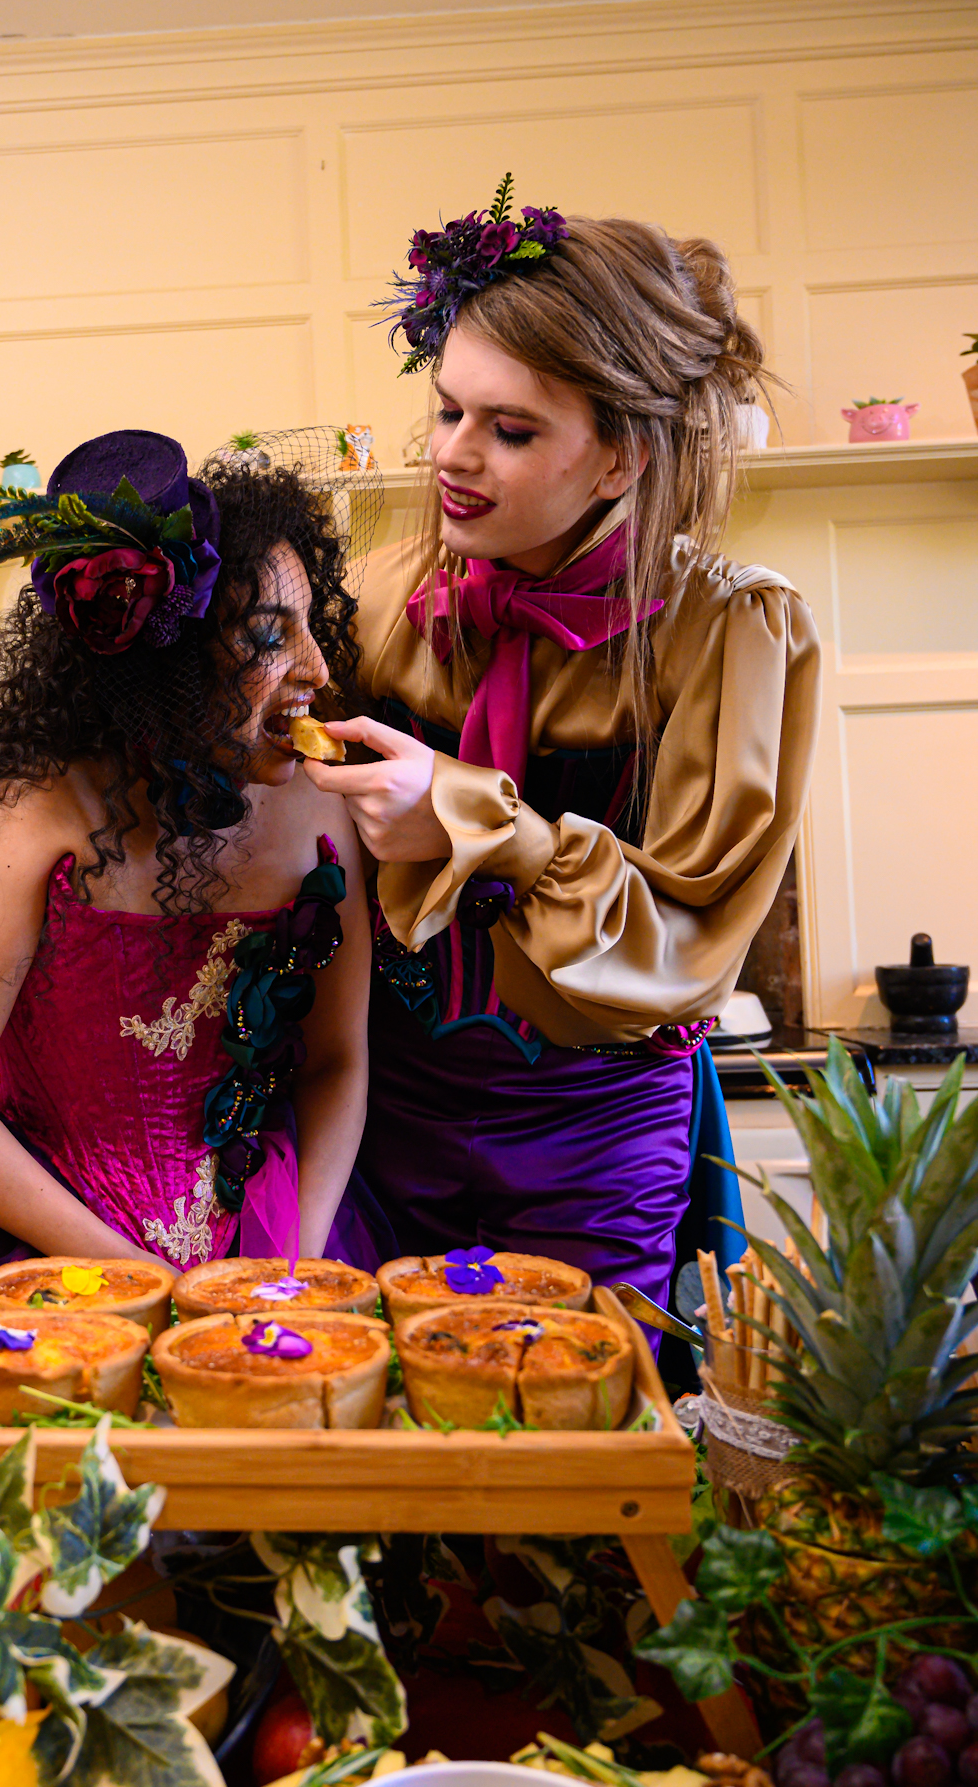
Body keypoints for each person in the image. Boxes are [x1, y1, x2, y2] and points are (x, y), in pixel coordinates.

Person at [303, 186, 821, 1316]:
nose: (454, 454)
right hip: (377, 1125)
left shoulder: (733, 627)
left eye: (512, 428)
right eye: (447, 412)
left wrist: (481, 827)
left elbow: (686, 939)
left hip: (594, 1143)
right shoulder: (386, 595)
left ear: (622, 458)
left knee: (566, 1437)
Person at [0, 429, 374, 1380]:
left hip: (277, 1238)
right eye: (270, 636)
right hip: (40, 1253)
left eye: (311, 626)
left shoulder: (324, 812)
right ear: (168, 662)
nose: (315, 667)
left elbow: (339, 1061)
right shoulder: (21, 823)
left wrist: (292, 1265)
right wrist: (133, 1280)